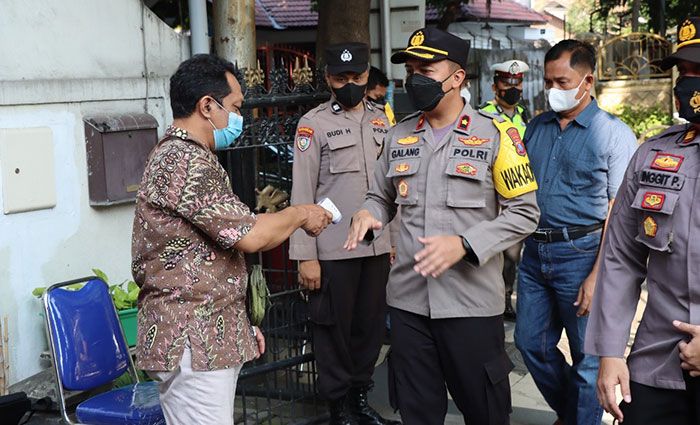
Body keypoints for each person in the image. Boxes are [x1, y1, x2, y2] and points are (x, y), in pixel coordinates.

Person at [345, 27, 540, 425]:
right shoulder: (399, 133)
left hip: (469, 305)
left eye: (426, 69)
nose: (414, 78)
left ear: (456, 78)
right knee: (417, 413)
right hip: (408, 303)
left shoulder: (495, 136)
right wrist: (369, 213)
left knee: (485, 411)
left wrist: (466, 244)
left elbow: (525, 212)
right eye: (410, 68)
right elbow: (380, 195)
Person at [131, 54, 332, 425]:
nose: (239, 118)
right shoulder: (183, 162)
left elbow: (209, 251)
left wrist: (238, 327)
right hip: (192, 338)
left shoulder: (191, 158)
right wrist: (301, 213)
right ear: (207, 106)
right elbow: (250, 235)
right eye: (236, 107)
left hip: (207, 334)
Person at [513, 40, 637, 425]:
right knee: (530, 343)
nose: (553, 90)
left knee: (588, 357)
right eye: (548, 81)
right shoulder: (537, 127)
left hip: (583, 253)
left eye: (562, 81)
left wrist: (598, 275)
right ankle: (573, 413)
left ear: (588, 81)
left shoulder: (614, 134)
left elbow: (618, 214)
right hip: (535, 254)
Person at [585, 16, 700, 425]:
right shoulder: (653, 154)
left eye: (699, 72)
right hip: (656, 364)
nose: (688, 84)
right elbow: (621, 258)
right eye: (684, 73)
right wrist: (611, 351)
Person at [289, 43, 399, 425]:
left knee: (369, 330)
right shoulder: (313, 124)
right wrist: (306, 255)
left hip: (377, 247)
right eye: (341, 78)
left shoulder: (384, 119)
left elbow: (392, 187)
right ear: (328, 79)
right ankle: (337, 408)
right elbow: (301, 193)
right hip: (332, 248)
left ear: (368, 75)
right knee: (333, 332)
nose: (350, 84)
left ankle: (359, 400)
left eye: (357, 77)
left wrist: (395, 241)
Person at [480, 59, 531, 317]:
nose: (512, 89)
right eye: (507, 83)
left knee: (513, 254)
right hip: (492, 192)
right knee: (491, 249)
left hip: (518, 191)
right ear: (495, 87)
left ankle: (506, 299)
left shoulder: (524, 115)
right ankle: (490, 301)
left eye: (517, 84)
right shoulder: (483, 115)